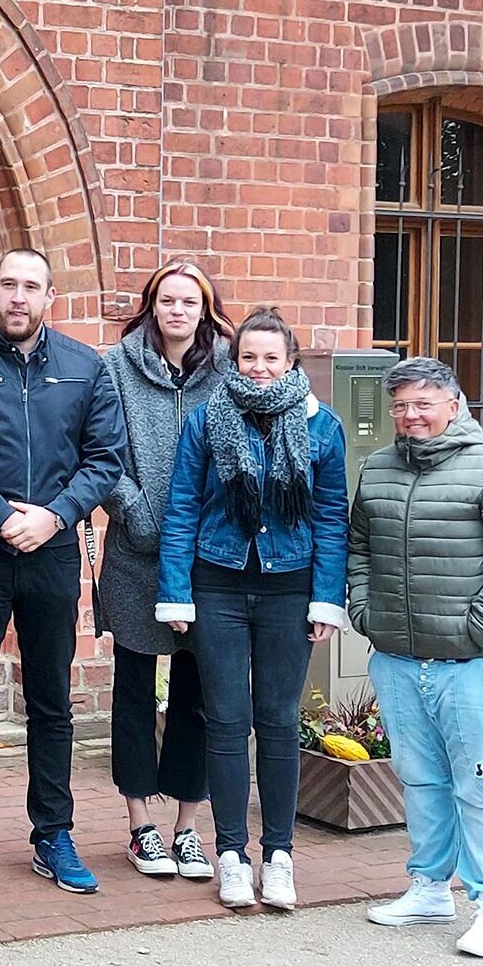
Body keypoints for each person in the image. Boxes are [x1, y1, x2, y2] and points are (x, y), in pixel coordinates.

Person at [0, 247, 126, 896]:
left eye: (30, 286)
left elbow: (104, 458)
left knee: (51, 704)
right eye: (8, 284)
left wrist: (55, 517)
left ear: (48, 296)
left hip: (53, 554)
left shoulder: (83, 368)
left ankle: (52, 834)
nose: (17, 296)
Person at [348, 357, 483, 958]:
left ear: (453, 405)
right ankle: (429, 887)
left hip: (475, 667)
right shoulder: (378, 469)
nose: (411, 416)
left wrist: (474, 630)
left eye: (423, 404)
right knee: (422, 781)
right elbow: (357, 547)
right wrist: (365, 613)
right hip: (401, 661)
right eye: (401, 406)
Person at [156, 308, 348, 912]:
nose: (259, 369)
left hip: (289, 590)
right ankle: (232, 855)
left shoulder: (323, 428)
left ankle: (280, 855)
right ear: (232, 362)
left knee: (280, 721)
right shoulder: (206, 419)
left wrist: (327, 598)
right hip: (218, 585)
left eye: (271, 357)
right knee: (226, 720)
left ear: (291, 360)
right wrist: (177, 591)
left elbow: (331, 518)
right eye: (248, 357)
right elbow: (182, 506)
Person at [97, 262, 234, 881]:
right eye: (166, 300)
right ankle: (140, 824)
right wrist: (139, 513)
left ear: (205, 308)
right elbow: (100, 452)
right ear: (151, 305)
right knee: (132, 691)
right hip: (135, 554)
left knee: (196, 696)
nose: (177, 310)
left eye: (189, 301)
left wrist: (206, 525)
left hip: (208, 559)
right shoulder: (115, 367)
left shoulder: (230, 368)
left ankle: (187, 827)